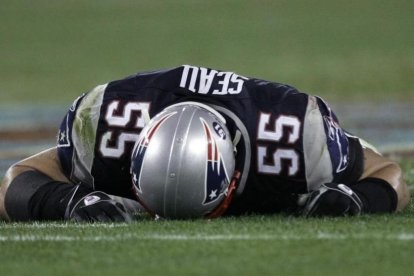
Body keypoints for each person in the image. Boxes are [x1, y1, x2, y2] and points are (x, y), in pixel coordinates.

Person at [0, 65, 409, 222]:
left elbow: (387, 173)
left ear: (233, 177)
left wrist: (357, 198)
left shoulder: (294, 136)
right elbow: (16, 179)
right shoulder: (106, 123)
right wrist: (66, 201)